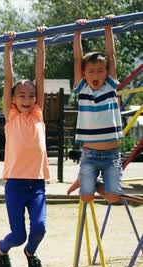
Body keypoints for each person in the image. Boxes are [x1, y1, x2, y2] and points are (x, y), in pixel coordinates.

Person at [0, 28, 49, 267]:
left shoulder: (39, 114)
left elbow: (40, 74)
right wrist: (8, 47)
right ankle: (2, 250)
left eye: (31, 95)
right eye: (21, 95)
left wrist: (41, 41)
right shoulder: (12, 115)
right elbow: (8, 78)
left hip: (36, 183)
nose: (27, 99)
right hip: (15, 183)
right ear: (13, 99)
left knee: (39, 228)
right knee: (17, 235)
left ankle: (31, 252)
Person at [69, 15, 122, 203]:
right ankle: (88, 182)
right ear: (84, 74)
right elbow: (77, 59)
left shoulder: (110, 85)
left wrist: (108, 27)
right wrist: (77, 32)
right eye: (91, 71)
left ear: (107, 72)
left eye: (100, 70)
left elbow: (111, 55)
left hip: (112, 154)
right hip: (90, 154)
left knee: (114, 197)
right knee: (86, 197)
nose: (96, 75)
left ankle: (89, 181)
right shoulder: (82, 88)